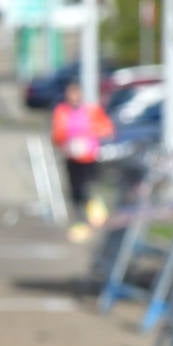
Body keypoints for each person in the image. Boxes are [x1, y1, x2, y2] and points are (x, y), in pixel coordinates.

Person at [50, 80, 114, 242]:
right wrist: (65, 140)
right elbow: (57, 133)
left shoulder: (91, 111)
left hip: (89, 155)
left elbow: (107, 129)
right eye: (70, 93)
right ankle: (81, 223)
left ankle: (95, 215)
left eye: (76, 92)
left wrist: (88, 133)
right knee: (75, 191)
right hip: (71, 156)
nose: (73, 96)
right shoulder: (62, 111)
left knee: (89, 187)